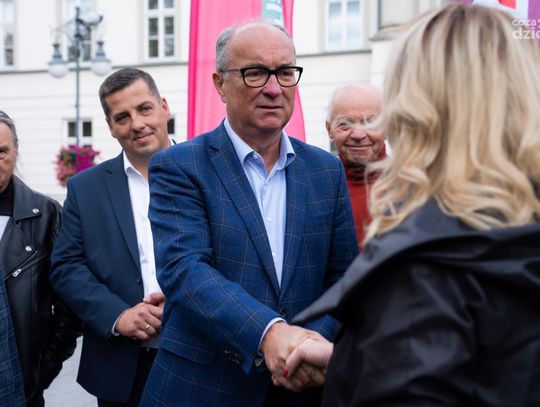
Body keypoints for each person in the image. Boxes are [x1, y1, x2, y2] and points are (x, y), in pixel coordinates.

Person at [284, 3, 540, 405]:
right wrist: (355, 358)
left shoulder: (423, 268)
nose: (360, 132)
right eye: (346, 123)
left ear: (416, 110)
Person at [140, 21, 358, 407]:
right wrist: (269, 334)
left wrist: (307, 345)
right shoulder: (179, 165)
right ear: (220, 84)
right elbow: (184, 270)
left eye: (285, 72)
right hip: (203, 388)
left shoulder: (326, 170)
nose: (274, 88)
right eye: (255, 73)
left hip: (303, 386)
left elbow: (344, 276)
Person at [49, 68, 172, 407]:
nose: (137, 124)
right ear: (110, 126)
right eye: (122, 117)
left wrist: (182, 303)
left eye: (144, 109)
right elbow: (66, 267)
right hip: (121, 368)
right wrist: (119, 315)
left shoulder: (206, 171)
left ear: (164, 107)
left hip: (200, 359)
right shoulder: (85, 189)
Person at [0, 110, 81, 407]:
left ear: (16, 152)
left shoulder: (46, 215)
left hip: (19, 389)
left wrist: (38, 373)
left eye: (1, 152)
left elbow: (70, 307)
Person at [326, 84, 386, 248]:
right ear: (329, 129)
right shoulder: (316, 187)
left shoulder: (410, 186)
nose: (358, 135)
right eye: (345, 124)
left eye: (370, 123)